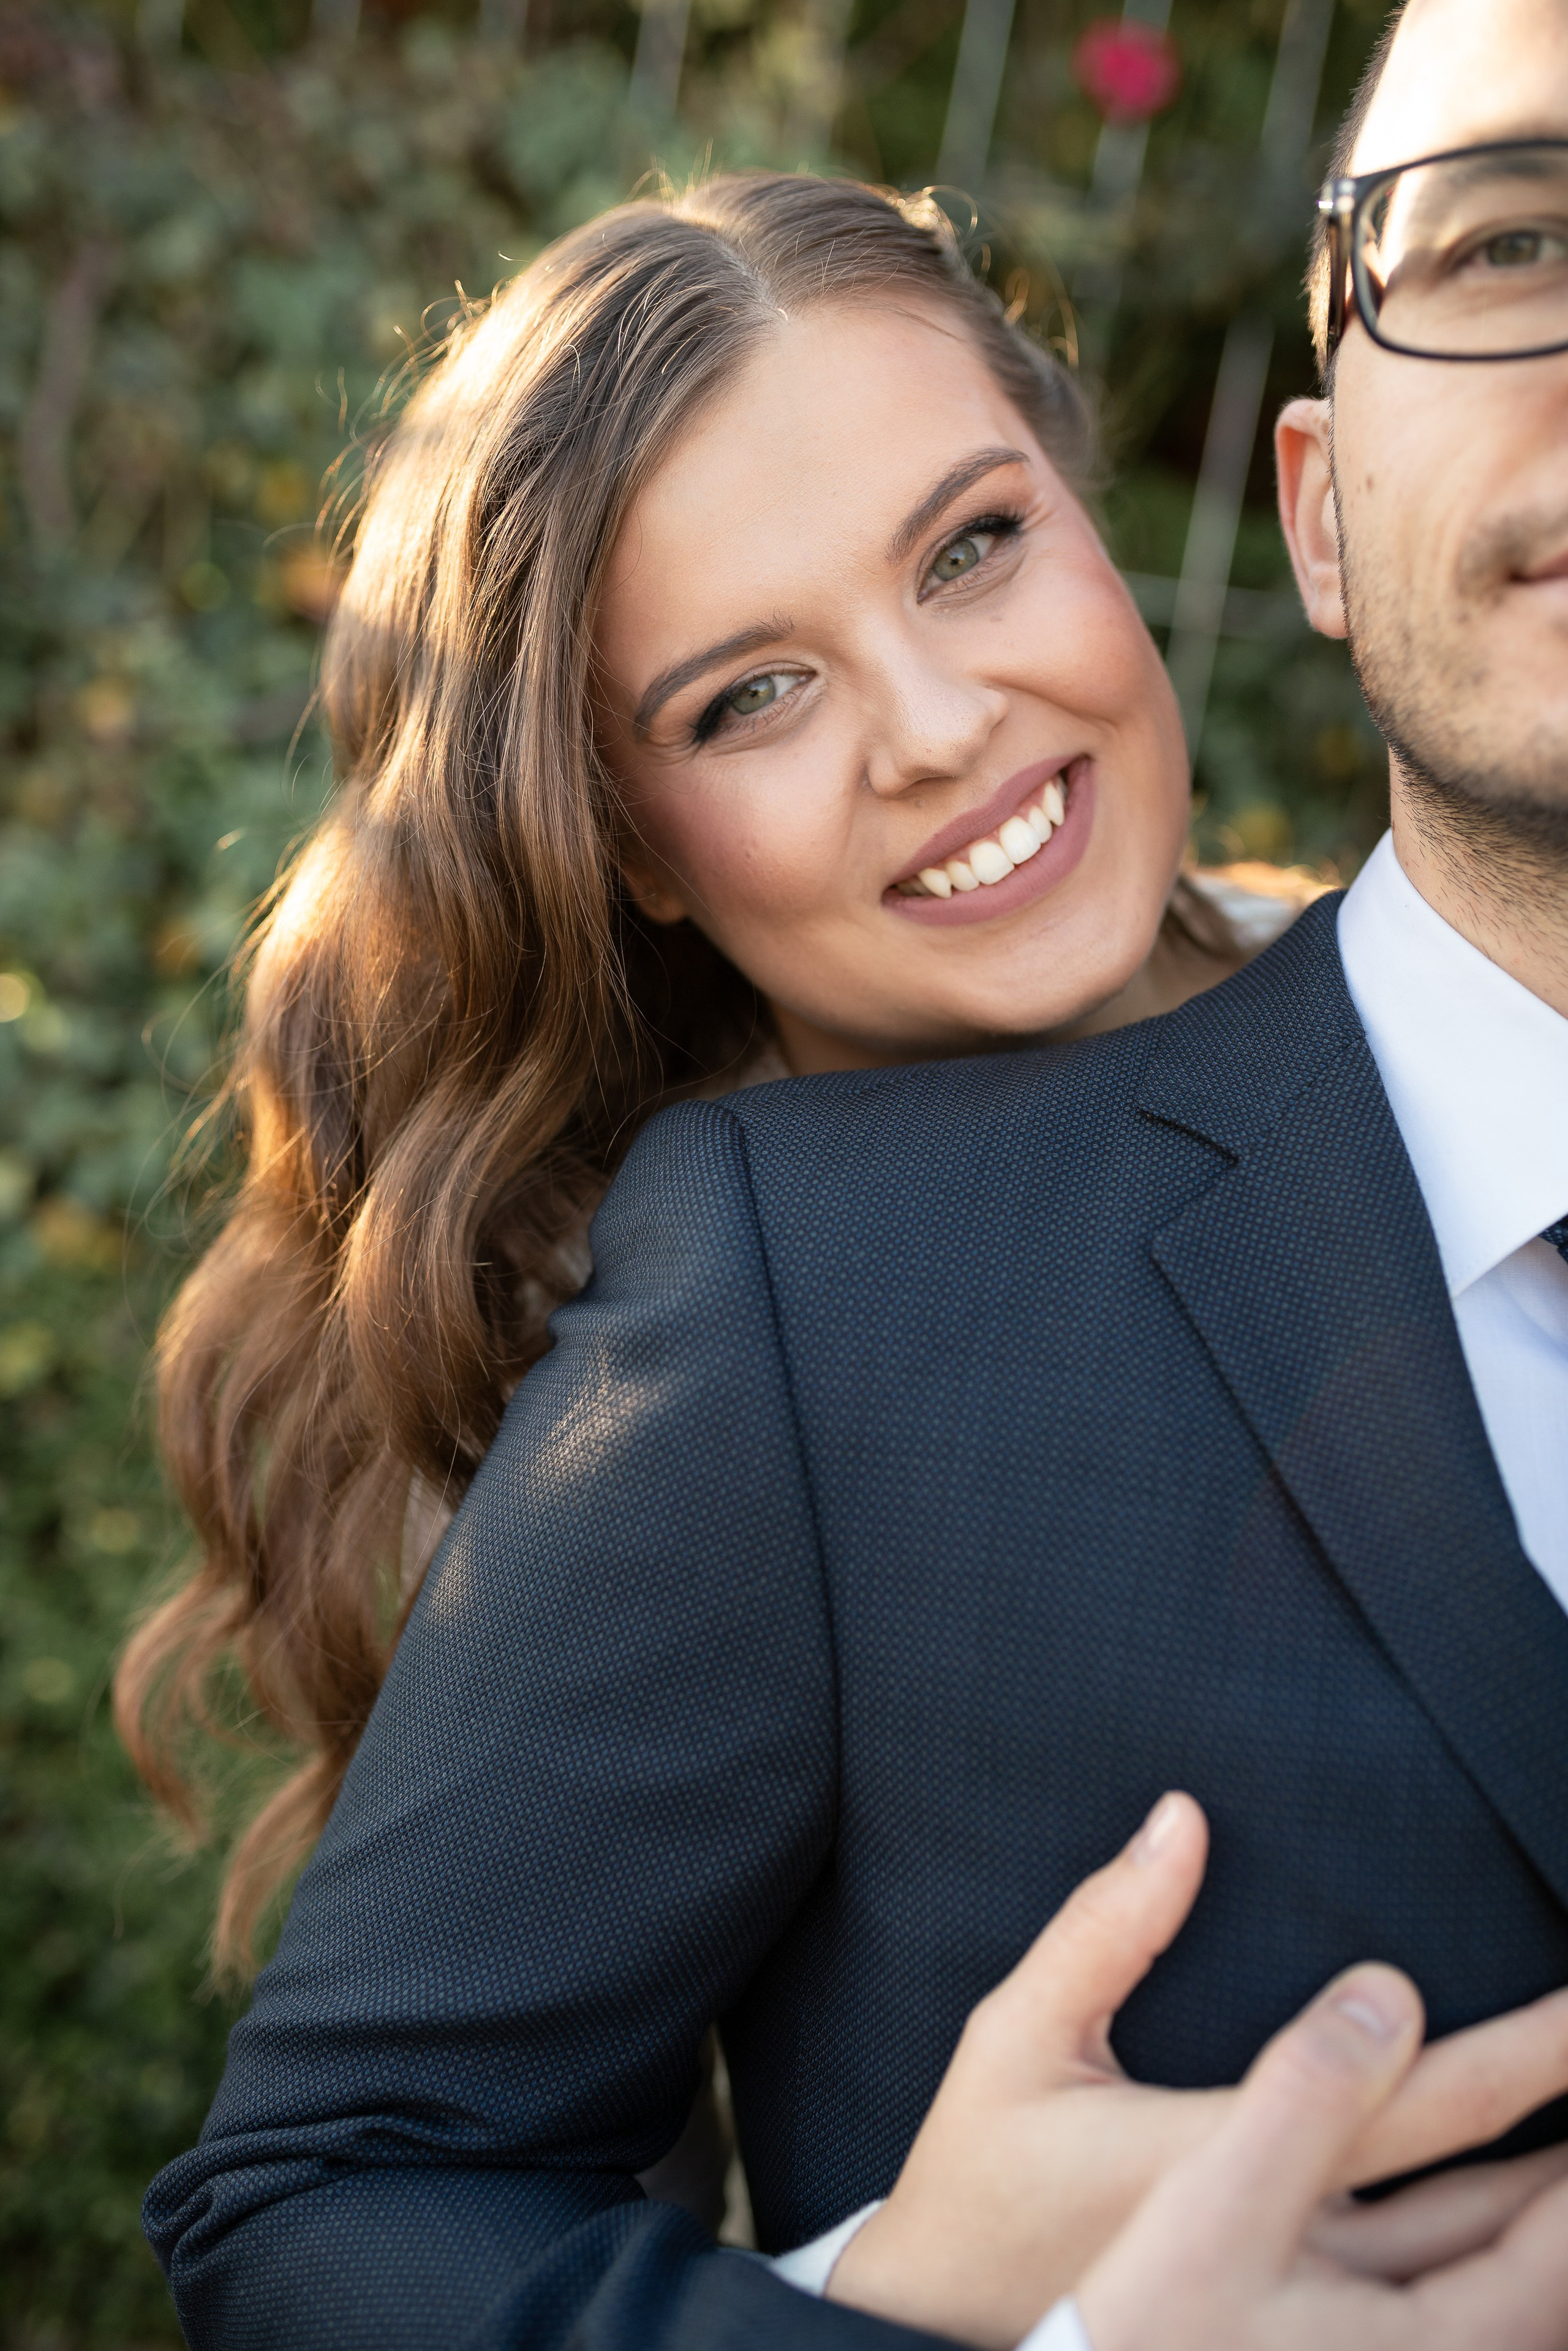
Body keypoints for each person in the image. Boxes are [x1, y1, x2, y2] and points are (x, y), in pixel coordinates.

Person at [139, 0, 1568, 2336]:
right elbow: (338, 2198)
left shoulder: (1462, 1004)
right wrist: (897, 2287)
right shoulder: (750, 1301)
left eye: (974, 550)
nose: (935, 728)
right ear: (630, 847)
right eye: (752, 697)